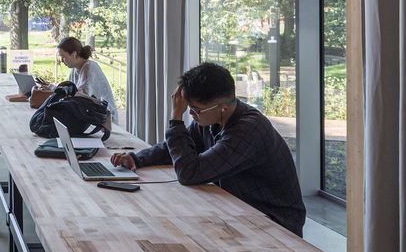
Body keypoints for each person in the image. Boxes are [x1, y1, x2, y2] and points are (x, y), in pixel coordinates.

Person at [109, 62, 306, 236]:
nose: (192, 115)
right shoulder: (212, 119)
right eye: (189, 109)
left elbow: (190, 173)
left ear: (222, 107)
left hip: (273, 222)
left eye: (195, 109)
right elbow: (180, 146)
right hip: (237, 208)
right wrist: (137, 158)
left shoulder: (248, 129)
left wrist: (176, 116)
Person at [57, 36, 117, 119]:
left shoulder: (89, 67)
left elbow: (80, 96)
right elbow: (70, 92)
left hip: (104, 119)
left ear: (74, 54)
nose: (62, 61)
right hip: (89, 115)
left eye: (63, 57)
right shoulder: (75, 68)